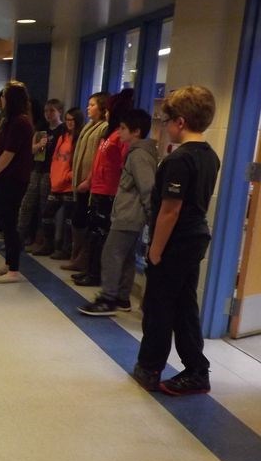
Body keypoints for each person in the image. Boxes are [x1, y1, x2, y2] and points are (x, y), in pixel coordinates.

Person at [132, 86, 220, 396]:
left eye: (166, 119)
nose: (164, 125)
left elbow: (170, 210)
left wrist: (154, 251)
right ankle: (197, 369)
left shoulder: (179, 160)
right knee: (184, 304)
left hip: (177, 241)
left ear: (180, 122)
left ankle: (150, 366)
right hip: (195, 237)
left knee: (159, 305)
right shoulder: (211, 156)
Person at [79, 108, 157, 316]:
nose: (119, 132)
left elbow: (148, 188)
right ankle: (122, 297)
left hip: (129, 216)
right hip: (129, 215)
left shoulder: (139, 156)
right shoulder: (135, 153)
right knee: (126, 257)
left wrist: (152, 218)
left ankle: (108, 299)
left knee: (111, 254)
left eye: (123, 129)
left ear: (136, 132)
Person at [72, 88, 134, 287]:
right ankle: (90, 270)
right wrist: (90, 180)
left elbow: (124, 163)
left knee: (101, 236)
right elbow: (98, 161)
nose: (106, 113)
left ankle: (96, 274)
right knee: (94, 233)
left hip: (109, 191)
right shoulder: (109, 134)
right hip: (98, 189)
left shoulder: (119, 136)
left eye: (107, 110)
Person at [0, 80, 35, 283]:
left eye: (4, 96)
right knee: (5, 222)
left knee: (10, 222)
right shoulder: (9, 121)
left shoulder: (21, 122)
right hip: (5, 178)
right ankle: (8, 263)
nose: (1, 100)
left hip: (14, 179)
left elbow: (8, 153)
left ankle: (14, 269)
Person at [61, 91, 110, 272]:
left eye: (92, 105)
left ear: (102, 107)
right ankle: (77, 256)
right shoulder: (90, 126)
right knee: (77, 219)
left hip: (90, 183)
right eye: (88, 105)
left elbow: (99, 157)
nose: (88, 108)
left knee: (83, 220)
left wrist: (89, 180)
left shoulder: (104, 128)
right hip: (79, 181)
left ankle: (83, 259)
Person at [39, 107, 85, 260]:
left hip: (68, 185)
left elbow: (80, 161)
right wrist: (54, 175)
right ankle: (48, 244)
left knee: (68, 219)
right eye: (67, 119)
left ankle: (66, 249)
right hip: (57, 182)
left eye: (72, 120)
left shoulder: (79, 138)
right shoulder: (63, 137)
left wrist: (69, 175)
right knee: (47, 215)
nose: (69, 123)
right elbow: (55, 158)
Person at [20, 99, 64, 254]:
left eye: (52, 111)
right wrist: (39, 146)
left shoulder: (62, 130)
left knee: (44, 205)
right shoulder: (41, 129)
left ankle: (43, 240)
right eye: (46, 111)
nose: (48, 114)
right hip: (37, 168)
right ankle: (21, 237)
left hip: (51, 171)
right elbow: (31, 149)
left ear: (59, 111)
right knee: (27, 203)